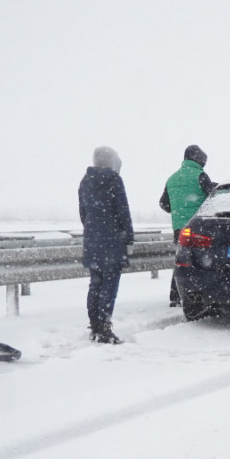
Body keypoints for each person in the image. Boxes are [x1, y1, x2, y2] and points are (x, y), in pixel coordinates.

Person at [78, 146, 134, 344]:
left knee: (95, 284)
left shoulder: (85, 181)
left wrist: (95, 231)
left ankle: (95, 327)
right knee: (109, 286)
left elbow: (83, 214)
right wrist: (128, 239)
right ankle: (104, 329)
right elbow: (123, 212)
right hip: (112, 243)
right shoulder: (114, 180)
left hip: (92, 242)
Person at [160, 145, 217, 306]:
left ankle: (175, 297)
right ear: (198, 159)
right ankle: (197, 295)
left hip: (179, 227)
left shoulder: (172, 178)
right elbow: (211, 197)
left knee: (181, 260)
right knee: (199, 262)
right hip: (197, 227)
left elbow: (163, 204)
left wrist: (178, 209)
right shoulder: (200, 176)